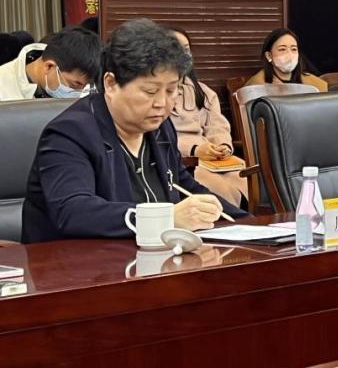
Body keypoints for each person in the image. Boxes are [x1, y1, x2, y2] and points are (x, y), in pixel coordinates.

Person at [22, 19, 247, 243]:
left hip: (153, 254)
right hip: (78, 260)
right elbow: (73, 212)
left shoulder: (160, 128)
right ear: (111, 84)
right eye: (150, 91)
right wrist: (165, 218)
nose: (162, 103)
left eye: (172, 91)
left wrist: (247, 224)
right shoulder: (70, 133)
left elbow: (182, 184)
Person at [167, 26, 247, 207]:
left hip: (213, 157)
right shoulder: (156, 95)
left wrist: (222, 146)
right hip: (185, 161)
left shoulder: (203, 92)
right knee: (219, 189)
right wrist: (194, 149)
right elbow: (159, 136)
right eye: (175, 47)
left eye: (186, 48)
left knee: (248, 178)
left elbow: (217, 126)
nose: (182, 54)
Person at [0, 25, 101, 101]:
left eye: (85, 86)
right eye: (75, 84)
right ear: (49, 66)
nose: (79, 93)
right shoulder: (3, 90)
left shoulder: (82, 85)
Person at [245, 28, 327, 91]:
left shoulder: (314, 83)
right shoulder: (257, 85)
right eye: (282, 49)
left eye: (294, 49)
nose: (289, 54)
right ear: (269, 56)